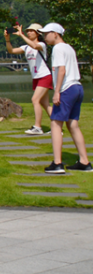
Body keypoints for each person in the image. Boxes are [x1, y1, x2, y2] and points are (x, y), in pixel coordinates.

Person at [41, 23, 91, 174]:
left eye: (46, 33)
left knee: (55, 123)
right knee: (73, 125)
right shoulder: (69, 48)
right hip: (77, 87)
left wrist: (57, 92)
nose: (44, 37)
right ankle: (84, 161)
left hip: (66, 89)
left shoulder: (57, 48)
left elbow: (61, 70)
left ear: (55, 34)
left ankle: (57, 163)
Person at [4, 23, 52, 135]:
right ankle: (57, 127)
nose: (29, 32)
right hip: (36, 77)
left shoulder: (42, 45)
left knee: (35, 100)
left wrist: (21, 35)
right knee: (45, 104)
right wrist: (7, 40)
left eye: (32, 31)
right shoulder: (26, 47)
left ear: (38, 33)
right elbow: (11, 51)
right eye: (28, 31)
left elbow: (35, 46)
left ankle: (38, 127)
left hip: (44, 76)